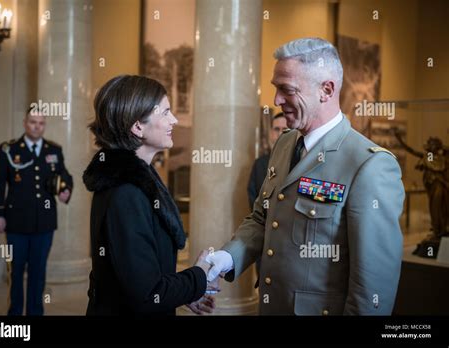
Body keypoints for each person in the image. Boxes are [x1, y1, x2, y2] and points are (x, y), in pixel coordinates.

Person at [205, 38, 405, 315]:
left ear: (326, 90)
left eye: (287, 90)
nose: (276, 101)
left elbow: (373, 286)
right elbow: (263, 218)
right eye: (276, 89)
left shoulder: (369, 165)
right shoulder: (285, 144)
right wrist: (227, 257)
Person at [83, 75, 215, 316]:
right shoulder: (126, 193)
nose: (174, 120)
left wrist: (184, 293)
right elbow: (146, 294)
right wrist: (199, 276)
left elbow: (143, 275)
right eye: (165, 113)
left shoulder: (136, 178)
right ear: (137, 127)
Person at [0, 107, 73, 316]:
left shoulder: (53, 150)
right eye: (32, 122)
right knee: (16, 272)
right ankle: (15, 314)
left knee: (38, 272)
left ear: (44, 125)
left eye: (41, 123)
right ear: (24, 123)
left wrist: (65, 190)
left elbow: (65, 175)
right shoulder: (9, 150)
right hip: (15, 222)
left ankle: (35, 313)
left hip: (44, 223)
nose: (37, 126)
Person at [247, 113, 288, 210]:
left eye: (285, 129)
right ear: (270, 133)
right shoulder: (259, 164)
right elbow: (253, 198)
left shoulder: (300, 161)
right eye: (276, 129)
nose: (280, 134)